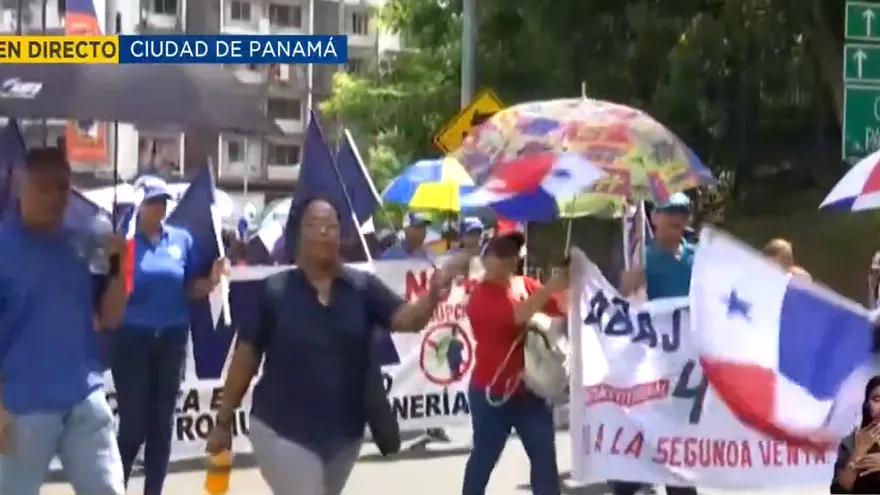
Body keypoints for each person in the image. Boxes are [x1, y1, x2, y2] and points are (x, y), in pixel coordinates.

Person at [204, 195, 469, 495]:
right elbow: (245, 358)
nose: (323, 231)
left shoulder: (363, 287)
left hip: (344, 439)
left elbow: (406, 319)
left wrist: (433, 296)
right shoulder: (274, 292)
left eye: (331, 226)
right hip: (281, 431)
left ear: (341, 235)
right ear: (299, 234)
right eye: (314, 225)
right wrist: (223, 421)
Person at [0, 147, 128, 495]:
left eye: (63, 186)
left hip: (84, 399)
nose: (56, 195)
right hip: (21, 407)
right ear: (22, 187)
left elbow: (111, 316)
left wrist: (119, 269)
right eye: (46, 186)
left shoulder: (83, 244)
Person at [112, 177, 227, 495]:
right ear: (139, 205)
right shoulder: (123, 242)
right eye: (152, 201)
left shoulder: (181, 240)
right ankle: (115, 488)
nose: (159, 207)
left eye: (163, 201)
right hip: (132, 340)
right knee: (133, 426)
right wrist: (116, 260)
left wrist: (212, 280)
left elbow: (190, 289)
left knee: (162, 426)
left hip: (173, 339)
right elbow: (109, 291)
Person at [462, 231, 568, 495]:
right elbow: (518, 316)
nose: (509, 258)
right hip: (492, 393)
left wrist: (570, 280)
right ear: (485, 258)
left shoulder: (525, 285)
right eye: (500, 252)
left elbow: (563, 307)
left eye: (513, 251)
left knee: (544, 459)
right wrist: (551, 286)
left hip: (531, 390)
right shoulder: (479, 297)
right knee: (484, 458)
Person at [619, 192, 698, 495]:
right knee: (643, 445)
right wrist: (629, 284)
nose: (677, 217)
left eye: (682, 211)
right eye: (669, 211)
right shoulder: (642, 260)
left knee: (680, 451)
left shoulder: (698, 256)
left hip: (689, 371)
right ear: (654, 218)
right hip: (652, 369)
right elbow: (625, 307)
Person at [831, 376, 880, 493]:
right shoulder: (850, 442)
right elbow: (839, 491)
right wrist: (857, 454)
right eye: (877, 399)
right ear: (867, 404)